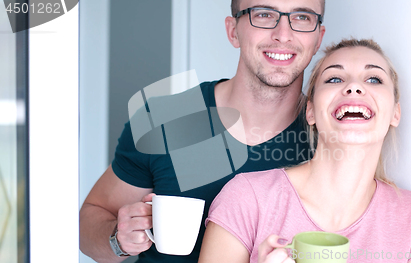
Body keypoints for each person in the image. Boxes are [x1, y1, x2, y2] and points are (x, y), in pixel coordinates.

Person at [79, 0, 326, 262]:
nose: (283, 34)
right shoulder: (164, 120)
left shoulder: (330, 140)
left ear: (318, 38)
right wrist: (119, 239)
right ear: (233, 31)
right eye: (263, 14)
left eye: (302, 17)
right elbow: (89, 222)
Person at [199, 39, 411, 263]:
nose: (354, 87)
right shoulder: (245, 198)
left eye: (374, 79)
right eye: (335, 79)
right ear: (311, 111)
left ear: (395, 113)